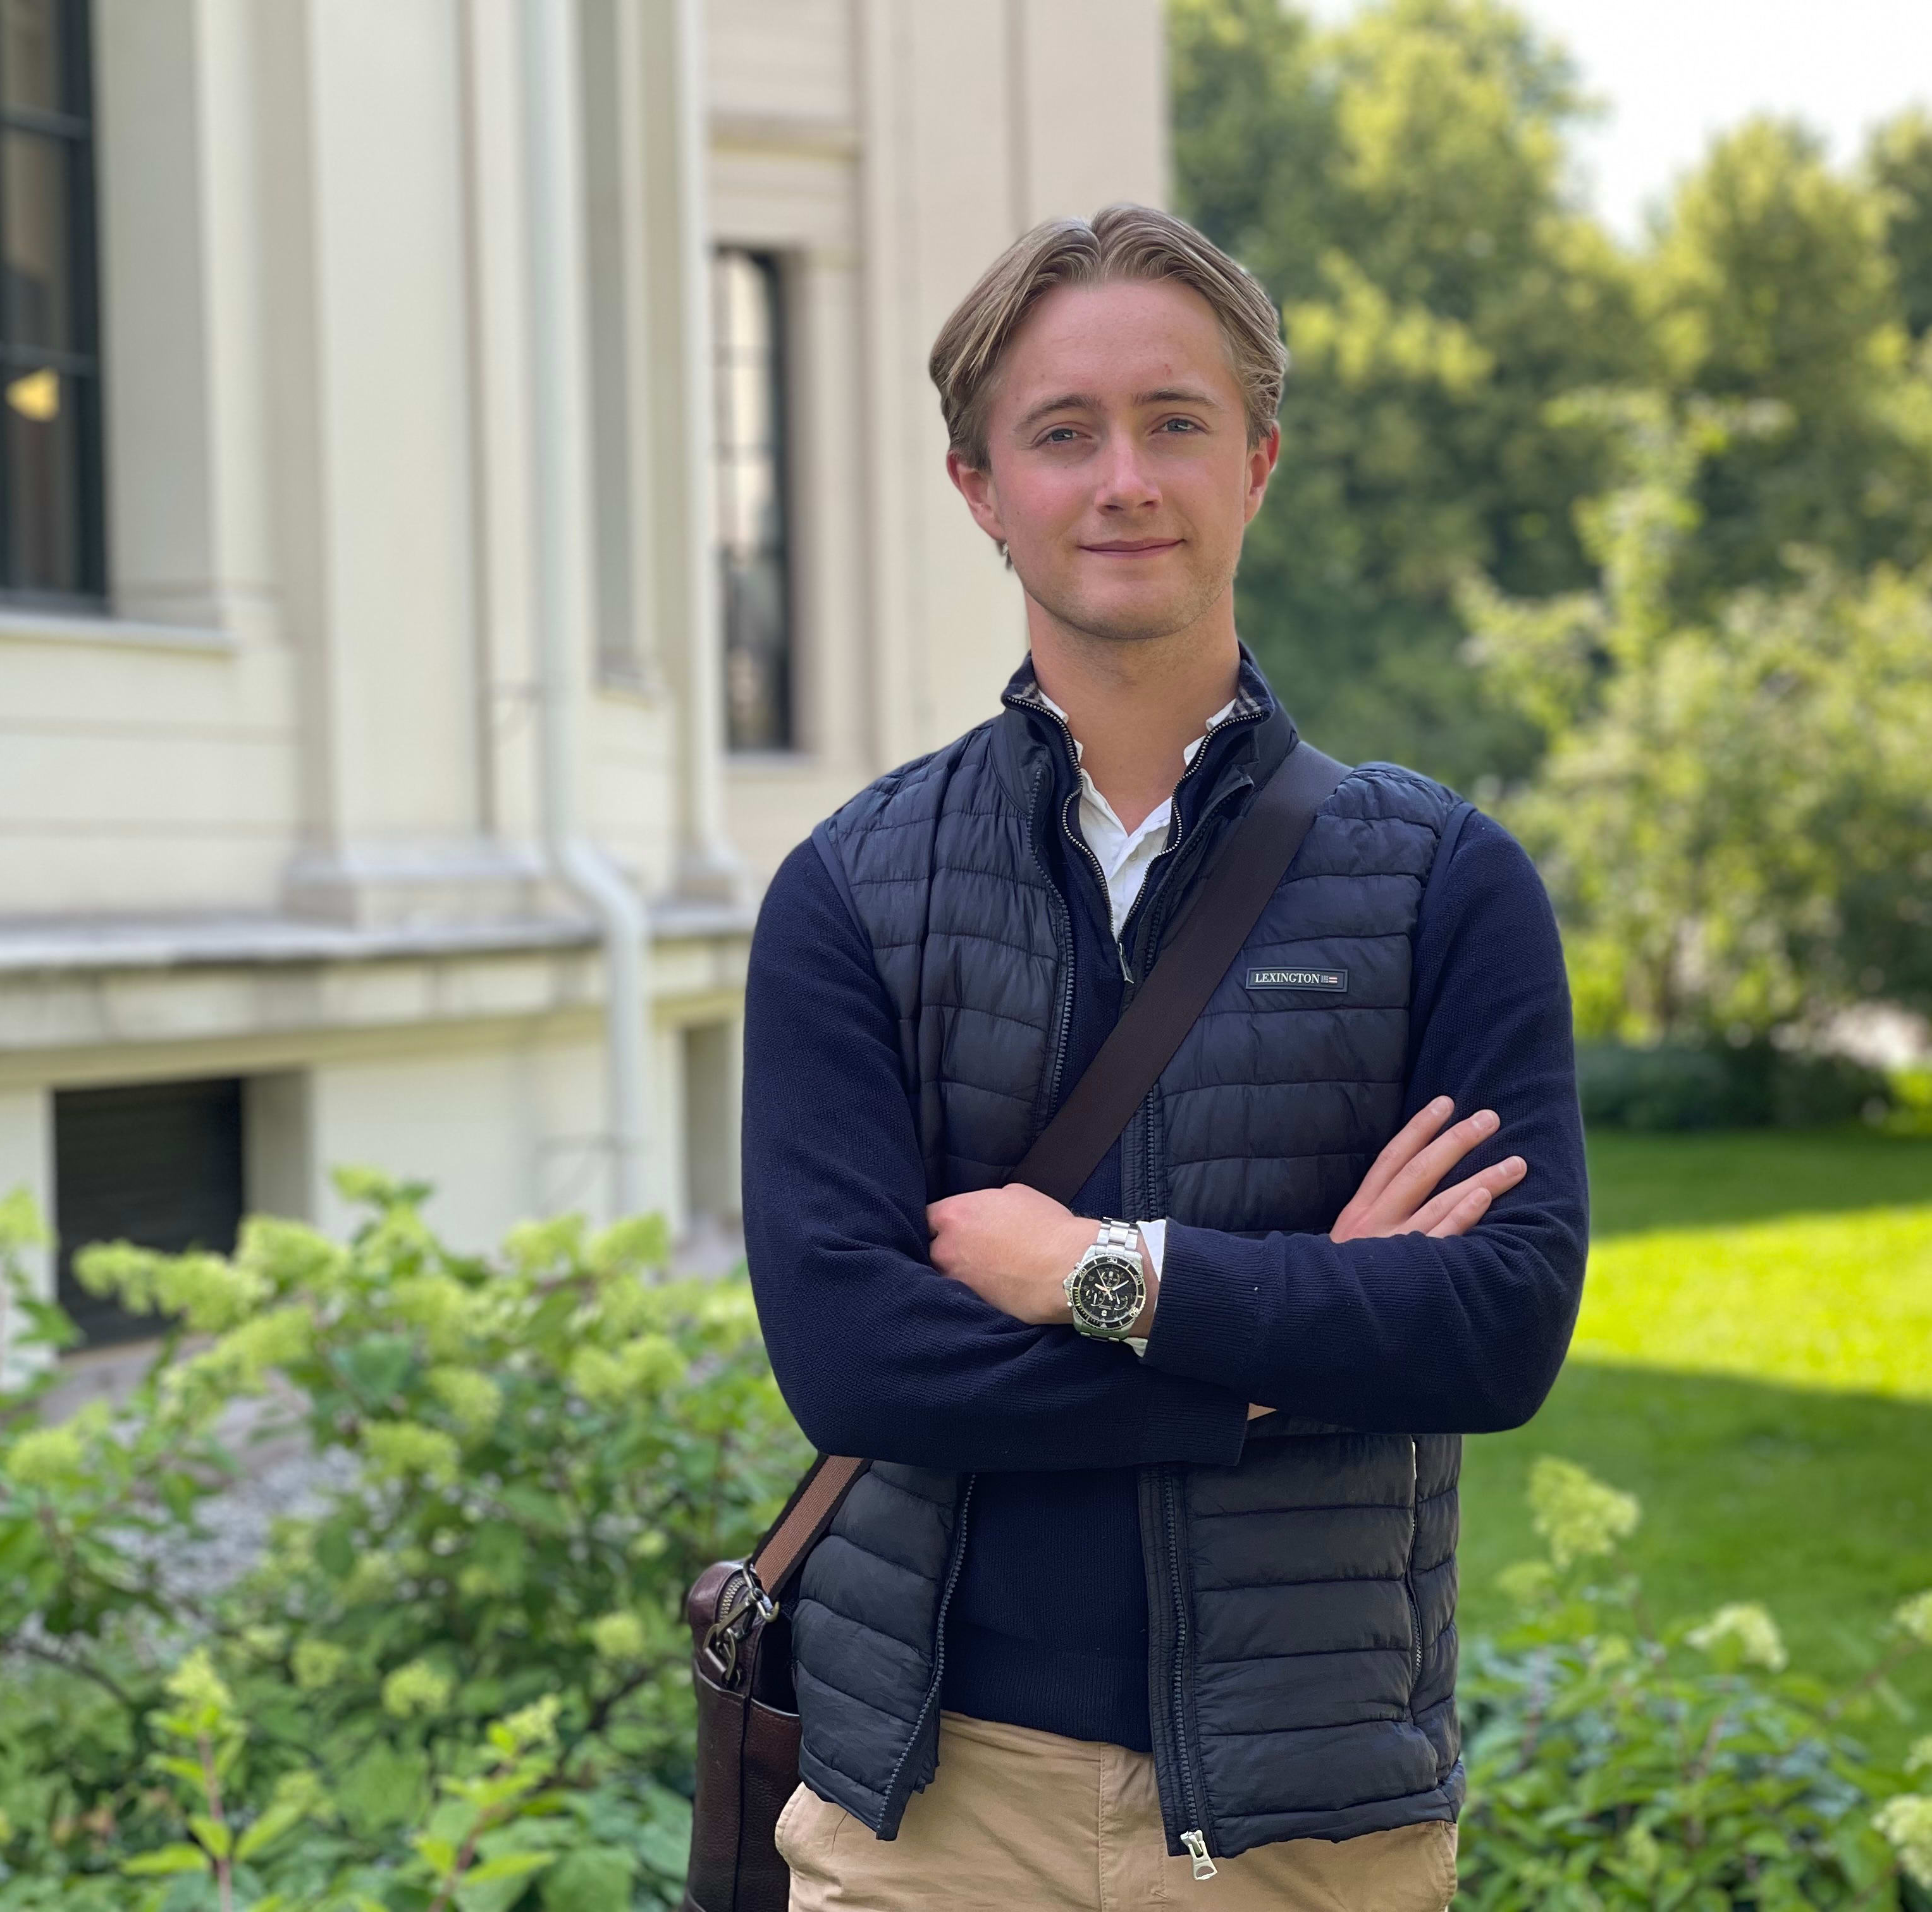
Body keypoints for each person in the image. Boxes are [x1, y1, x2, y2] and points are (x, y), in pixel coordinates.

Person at [742, 202, 1588, 1911]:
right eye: (1064, 433)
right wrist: (1297, 1342)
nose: (1124, 479)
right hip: (935, 1821)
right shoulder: (848, 892)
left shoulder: (1443, 882)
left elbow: (1496, 1331)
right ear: (981, 487)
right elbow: (858, 1362)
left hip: (1310, 1833)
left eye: (1176, 422)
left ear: (1257, 462)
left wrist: (1097, 1275)